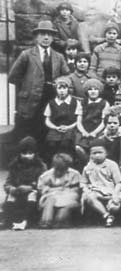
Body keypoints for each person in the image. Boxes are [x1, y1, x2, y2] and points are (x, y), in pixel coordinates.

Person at [9, 20, 70, 148]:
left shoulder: (59, 57)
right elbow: (13, 77)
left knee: (47, 131)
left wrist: (58, 83)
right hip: (31, 101)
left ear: (53, 37)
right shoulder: (26, 55)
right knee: (29, 132)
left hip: (51, 99)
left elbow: (67, 77)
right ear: (36, 37)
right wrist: (29, 85)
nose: (46, 37)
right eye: (42, 34)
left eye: (49, 34)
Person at [81, 139, 121, 227]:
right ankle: (107, 216)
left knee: (113, 207)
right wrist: (86, 190)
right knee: (89, 197)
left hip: (112, 191)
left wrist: (115, 194)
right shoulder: (88, 166)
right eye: (94, 153)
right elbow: (83, 182)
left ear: (106, 153)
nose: (97, 155)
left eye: (100, 152)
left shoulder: (111, 165)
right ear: (90, 155)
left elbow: (119, 182)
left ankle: (112, 213)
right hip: (96, 191)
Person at [3, 136, 47, 230]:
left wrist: (30, 187)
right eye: (24, 153)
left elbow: (43, 183)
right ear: (19, 154)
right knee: (11, 196)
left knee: (32, 195)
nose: (27, 156)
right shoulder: (14, 165)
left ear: (35, 154)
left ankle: (25, 221)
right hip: (18, 192)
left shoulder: (40, 166)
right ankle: (7, 221)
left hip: (33, 193)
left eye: (30, 153)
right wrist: (11, 188)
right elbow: (8, 182)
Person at [36, 152, 81, 228]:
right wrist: (53, 190)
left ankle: (60, 220)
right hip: (51, 195)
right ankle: (46, 221)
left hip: (68, 195)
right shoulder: (47, 175)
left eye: (63, 169)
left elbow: (76, 189)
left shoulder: (74, 174)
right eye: (57, 169)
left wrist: (65, 191)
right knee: (50, 200)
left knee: (67, 202)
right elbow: (42, 189)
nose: (59, 172)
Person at [43, 76, 81, 165]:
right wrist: (55, 127)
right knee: (51, 143)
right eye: (59, 88)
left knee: (66, 143)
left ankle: (68, 164)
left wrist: (69, 127)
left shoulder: (75, 102)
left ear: (68, 89)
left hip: (71, 128)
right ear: (56, 89)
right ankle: (53, 165)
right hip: (56, 128)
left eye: (64, 88)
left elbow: (79, 119)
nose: (62, 91)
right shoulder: (51, 103)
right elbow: (47, 120)